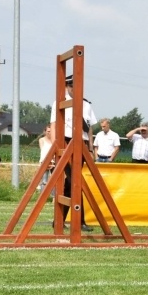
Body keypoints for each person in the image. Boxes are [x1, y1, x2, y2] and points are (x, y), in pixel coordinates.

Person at [49, 74, 98, 231]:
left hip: (81, 143)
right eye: (70, 85)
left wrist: (91, 148)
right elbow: (54, 125)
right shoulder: (60, 102)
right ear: (66, 87)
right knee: (74, 181)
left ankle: (61, 219)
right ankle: (78, 221)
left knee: (73, 182)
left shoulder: (86, 105)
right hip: (66, 142)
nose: (73, 88)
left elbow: (89, 128)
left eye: (75, 85)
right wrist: (55, 146)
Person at [38, 124, 53, 191]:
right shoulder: (41, 140)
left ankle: (53, 195)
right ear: (45, 131)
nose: (49, 133)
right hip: (44, 161)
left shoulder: (54, 140)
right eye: (48, 131)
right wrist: (45, 161)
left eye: (51, 131)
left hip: (54, 161)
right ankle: (42, 193)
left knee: (54, 179)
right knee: (44, 180)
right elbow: (43, 151)